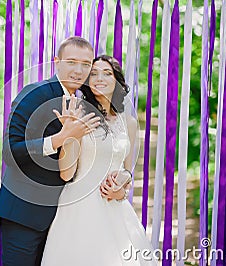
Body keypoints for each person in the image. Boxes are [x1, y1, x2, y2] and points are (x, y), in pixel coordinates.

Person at [0, 37, 101, 265]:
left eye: (86, 64)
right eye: (71, 62)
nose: (78, 70)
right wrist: (60, 138)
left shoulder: (83, 104)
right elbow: (10, 152)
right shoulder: (34, 93)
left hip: (64, 219)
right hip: (25, 213)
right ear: (56, 61)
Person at [41, 55, 157, 265]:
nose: (99, 78)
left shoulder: (129, 122)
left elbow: (127, 170)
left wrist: (121, 188)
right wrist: (69, 133)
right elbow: (67, 174)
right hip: (79, 207)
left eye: (107, 73)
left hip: (115, 206)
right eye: (93, 73)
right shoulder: (77, 114)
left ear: (117, 81)